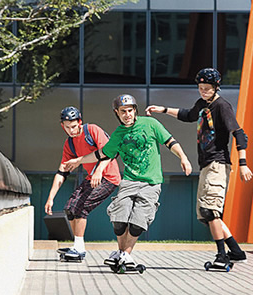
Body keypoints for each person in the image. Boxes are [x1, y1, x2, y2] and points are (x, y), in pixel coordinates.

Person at [64, 94, 192, 269]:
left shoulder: (150, 124)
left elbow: (170, 141)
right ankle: (121, 253)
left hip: (151, 182)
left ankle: (125, 254)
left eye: (130, 110)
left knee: (138, 222)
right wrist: (79, 160)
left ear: (135, 110)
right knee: (119, 219)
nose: (127, 114)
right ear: (117, 113)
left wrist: (183, 158)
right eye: (123, 111)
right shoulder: (118, 134)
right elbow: (102, 154)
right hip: (129, 181)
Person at [146, 67, 253, 268]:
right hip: (206, 165)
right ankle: (236, 251)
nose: (203, 92)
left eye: (207, 89)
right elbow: (188, 115)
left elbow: (239, 134)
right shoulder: (203, 104)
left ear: (215, 87)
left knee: (211, 211)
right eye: (200, 88)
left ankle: (222, 256)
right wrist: (163, 109)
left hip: (218, 164)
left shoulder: (222, 106)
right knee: (205, 215)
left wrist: (244, 164)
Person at [45, 106, 121, 261]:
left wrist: (99, 171)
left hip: (109, 177)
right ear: (63, 126)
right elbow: (62, 172)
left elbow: (110, 151)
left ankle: (79, 249)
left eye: (74, 126)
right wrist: (51, 198)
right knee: (70, 209)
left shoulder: (92, 130)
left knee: (81, 208)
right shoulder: (70, 144)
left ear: (80, 122)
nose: (71, 130)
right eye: (67, 128)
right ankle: (77, 246)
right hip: (91, 178)